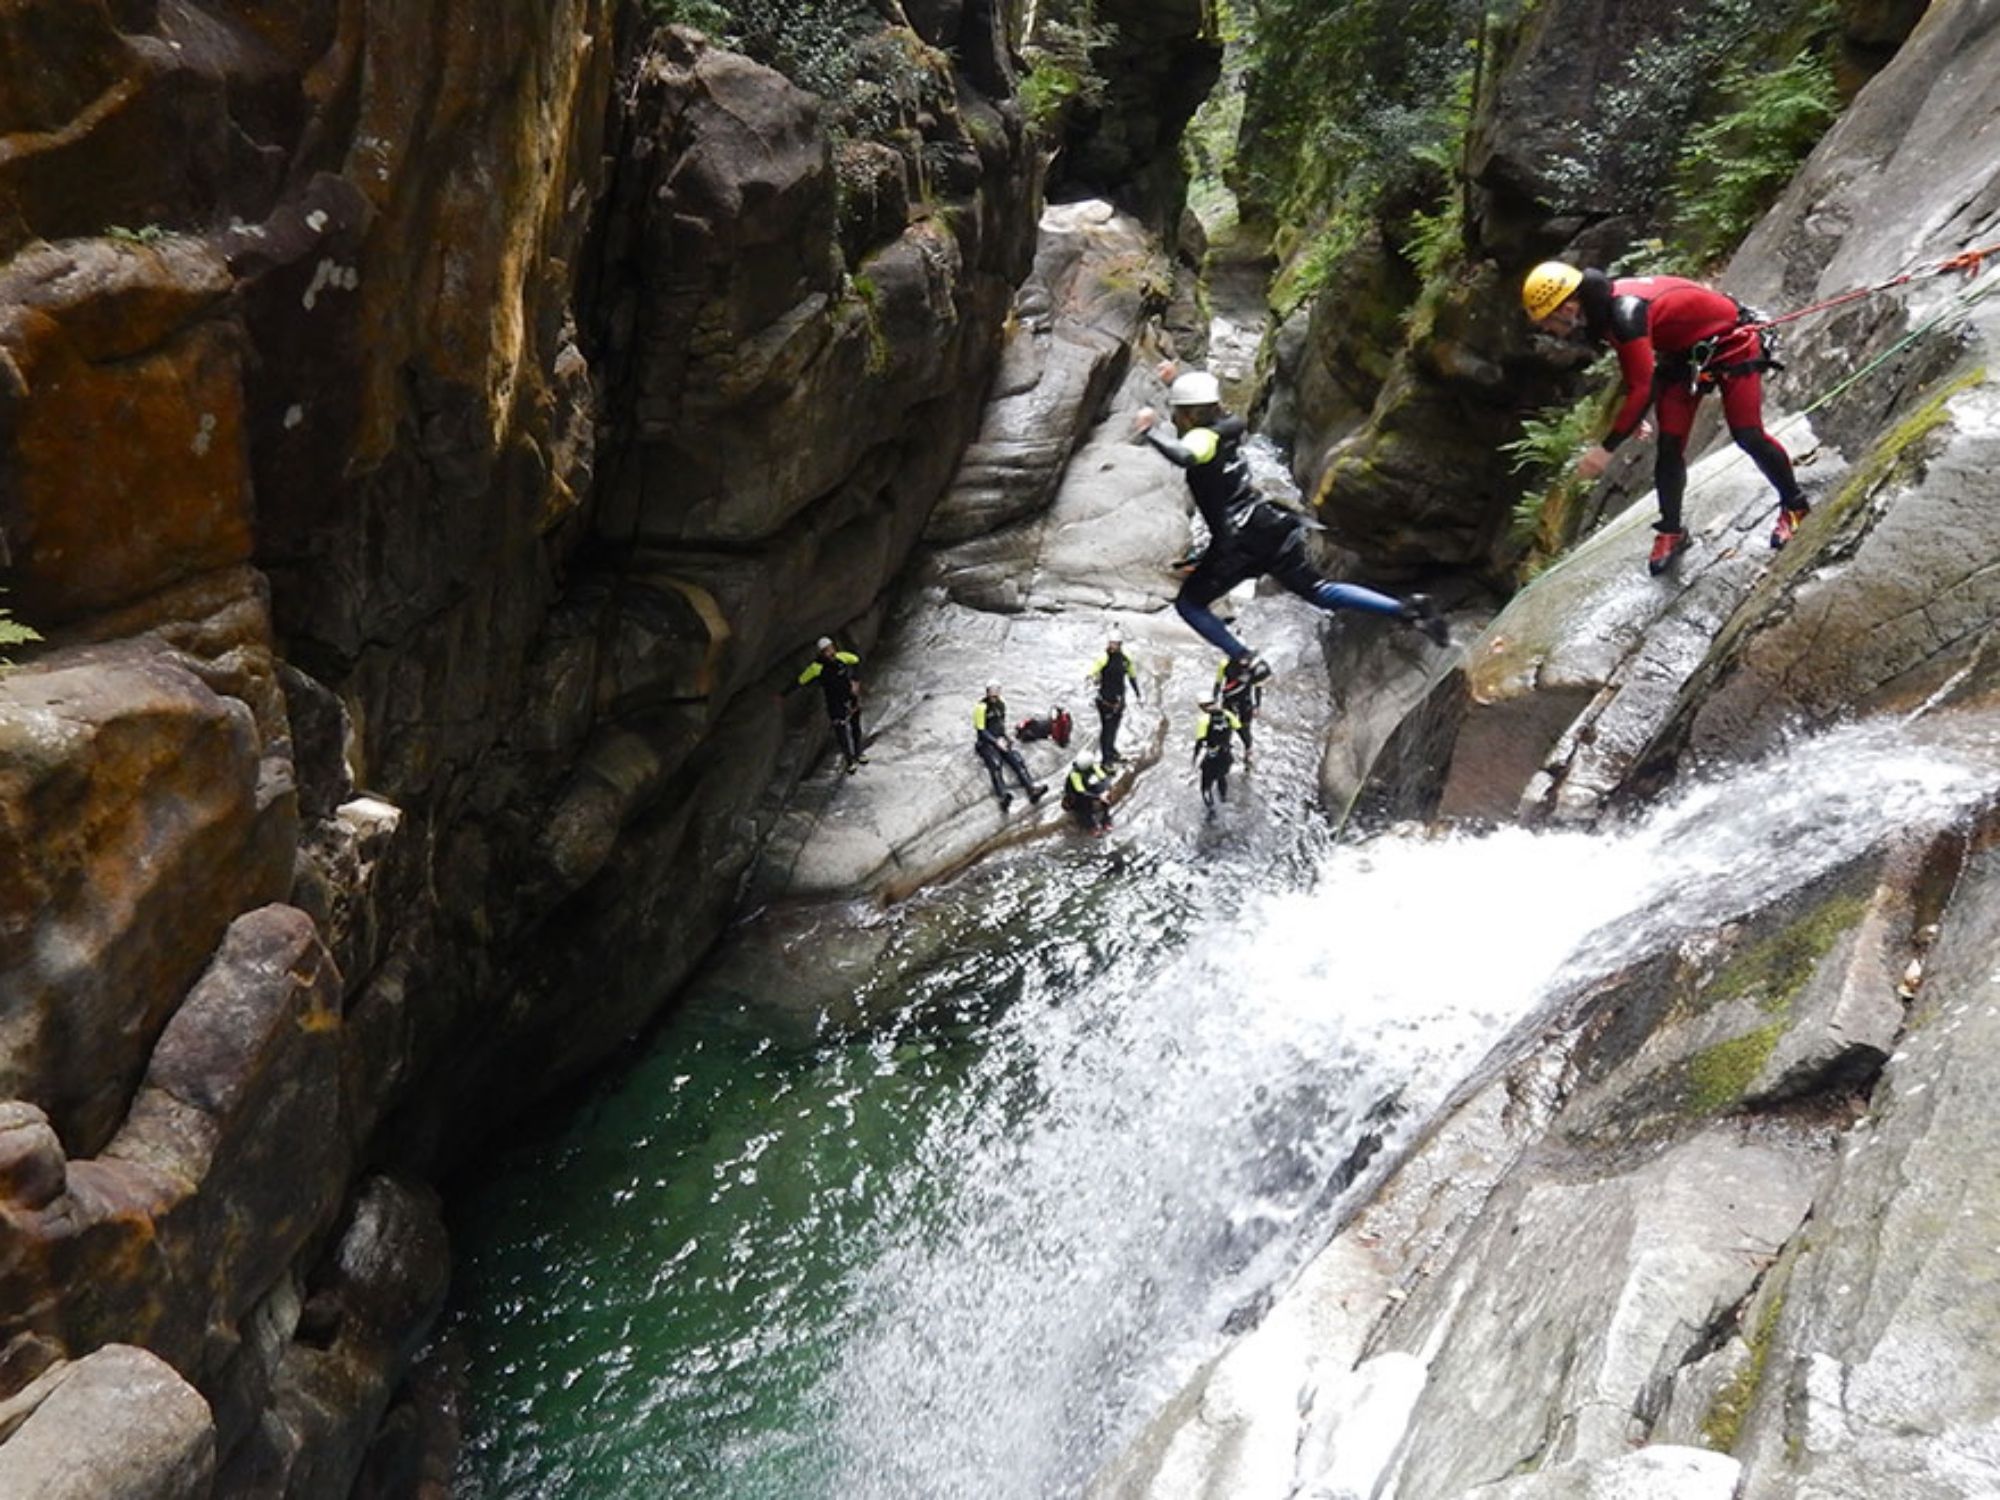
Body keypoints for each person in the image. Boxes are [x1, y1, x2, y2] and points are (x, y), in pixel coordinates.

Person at [1133, 367, 1448, 677]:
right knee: (1320, 590)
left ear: (1188, 414)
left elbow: (1187, 455)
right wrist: (1175, 381)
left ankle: (1245, 659)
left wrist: (1150, 432)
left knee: (1190, 605)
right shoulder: (1229, 423)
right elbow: (1201, 408)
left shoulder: (1202, 436)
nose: (1175, 418)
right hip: (1270, 524)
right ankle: (1408, 609)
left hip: (1238, 540)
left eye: (1178, 413)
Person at [1521, 261, 1809, 575]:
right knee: (1670, 445)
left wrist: (1606, 449)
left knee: (1748, 434)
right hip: (1682, 355)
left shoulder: (1625, 312)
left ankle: (1795, 505)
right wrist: (1633, 415)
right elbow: (1634, 367)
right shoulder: (1601, 312)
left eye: (1547, 320)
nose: (1546, 329)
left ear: (1568, 308)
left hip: (1731, 341)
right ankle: (1671, 531)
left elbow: (1643, 388)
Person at [784, 635, 867, 773]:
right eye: (827, 650)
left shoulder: (841, 657)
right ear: (822, 653)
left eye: (832, 648)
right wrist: (783, 694)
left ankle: (858, 753)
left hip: (849, 696)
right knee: (841, 731)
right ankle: (849, 760)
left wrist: (856, 680)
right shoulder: (817, 668)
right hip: (834, 702)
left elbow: (856, 660)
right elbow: (800, 681)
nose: (831, 652)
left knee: (855, 725)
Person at [973, 682, 1048, 811]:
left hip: (1000, 739)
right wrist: (995, 741)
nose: (994, 694)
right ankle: (1003, 796)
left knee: (1017, 760)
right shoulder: (981, 707)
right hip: (986, 742)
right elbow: (981, 730)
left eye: (997, 690)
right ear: (987, 691)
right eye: (992, 691)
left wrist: (1006, 738)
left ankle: (1031, 789)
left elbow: (1000, 725)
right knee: (995, 764)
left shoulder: (1001, 705)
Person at [1086, 636, 1141, 765]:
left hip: (1119, 699)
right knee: (1107, 728)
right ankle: (1106, 758)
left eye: (1115, 644)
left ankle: (1111, 750)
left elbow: (1132, 676)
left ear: (1120, 644)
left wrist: (1137, 693)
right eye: (1111, 643)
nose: (1112, 646)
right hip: (1105, 699)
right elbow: (1092, 673)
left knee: (1114, 727)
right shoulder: (1104, 658)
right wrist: (1093, 679)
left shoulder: (1124, 660)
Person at [1191, 698, 1243, 813]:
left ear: (1202, 707)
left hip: (1212, 758)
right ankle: (1223, 799)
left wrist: (1194, 759)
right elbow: (1242, 732)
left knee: (1205, 787)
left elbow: (1199, 743)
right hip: (1226, 756)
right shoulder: (1228, 715)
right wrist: (1248, 749)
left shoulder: (1204, 720)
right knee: (1221, 777)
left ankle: (1211, 812)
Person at [1216, 656, 1260, 767]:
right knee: (1226, 727)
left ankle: (1248, 750)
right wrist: (1215, 700)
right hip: (1228, 700)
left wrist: (1257, 706)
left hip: (1245, 702)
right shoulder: (1224, 663)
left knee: (1245, 728)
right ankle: (1224, 750)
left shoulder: (1253, 667)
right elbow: (1218, 683)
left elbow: (1258, 687)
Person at [1063, 753, 1113, 834]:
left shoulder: (1093, 766)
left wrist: (1106, 791)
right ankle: (1090, 826)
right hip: (1076, 795)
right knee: (1084, 805)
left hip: (1087, 787)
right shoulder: (1074, 774)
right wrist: (1098, 797)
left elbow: (1105, 779)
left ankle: (1106, 820)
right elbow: (1080, 791)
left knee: (1106, 796)